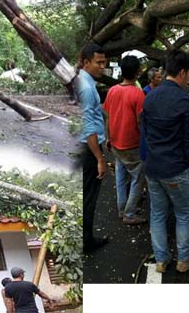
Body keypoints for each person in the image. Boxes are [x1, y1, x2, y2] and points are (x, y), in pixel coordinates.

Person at [142, 49, 189, 274]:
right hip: (176, 169)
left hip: (153, 168)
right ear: (183, 73)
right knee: (184, 213)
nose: (188, 79)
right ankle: (184, 259)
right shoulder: (184, 101)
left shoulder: (150, 97)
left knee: (157, 213)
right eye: (188, 75)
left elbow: (146, 133)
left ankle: (161, 260)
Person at [102, 55, 147, 225]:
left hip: (115, 143)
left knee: (120, 177)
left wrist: (108, 137)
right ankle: (129, 213)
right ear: (138, 72)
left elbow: (107, 116)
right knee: (138, 179)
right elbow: (140, 121)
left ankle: (122, 209)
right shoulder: (137, 94)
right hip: (132, 145)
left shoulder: (113, 90)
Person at [76, 42, 109, 253]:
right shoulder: (86, 87)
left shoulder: (82, 81)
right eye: (99, 62)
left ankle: (85, 238)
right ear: (86, 62)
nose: (103, 67)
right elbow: (88, 127)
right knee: (88, 197)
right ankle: (86, 241)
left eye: (104, 62)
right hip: (88, 149)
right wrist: (99, 158)